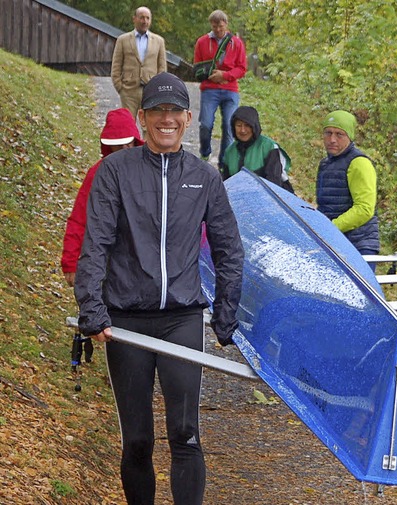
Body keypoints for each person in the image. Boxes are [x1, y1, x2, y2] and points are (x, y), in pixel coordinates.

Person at [74, 72, 244, 505]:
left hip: (181, 320)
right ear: (142, 117)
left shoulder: (205, 177)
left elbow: (228, 247)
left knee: (185, 435)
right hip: (126, 320)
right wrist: (91, 307)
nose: (166, 119)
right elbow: (95, 243)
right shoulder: (115, 172)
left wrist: (226, 310)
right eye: (157, 111)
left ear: (188, 118)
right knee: (137, 440)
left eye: (174, 111)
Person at [61, 108, 143, 287]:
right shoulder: (97, 173)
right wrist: (71, 261)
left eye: (127, 143)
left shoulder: (150, 168)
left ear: (135, 140)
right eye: (118, 144)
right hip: (106, 260)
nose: (123, 149)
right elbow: (79, 217)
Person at [316, 110, 380, 259]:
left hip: (359, 244)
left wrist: (331, 227)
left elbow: (364, 209)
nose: (332, 139)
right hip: (333, 241)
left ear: (349, 137)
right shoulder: (325, 164)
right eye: (328, 133)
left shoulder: (359, 163)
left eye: (339, 134)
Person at [193, 9, 247, 166]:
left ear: (226, 25)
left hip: (230, 89)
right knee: (206, 124)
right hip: (209, 89)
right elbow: (197, 67)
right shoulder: (202, 42)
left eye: (221, 27)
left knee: (229, 126)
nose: (217, 30)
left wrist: (225, 76)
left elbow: (242, 68)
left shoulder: (236, 43)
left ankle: (224, 163)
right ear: (211, 25)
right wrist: (209, 75)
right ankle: (205, 152)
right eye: (215, 26)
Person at [220, 105, 294, 193]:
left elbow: (274, 183)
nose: (243, 130)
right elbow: (226, 184)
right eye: (239, 125)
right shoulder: (229, 152)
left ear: (254, 127)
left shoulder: (269, 147)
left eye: (247, 125)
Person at [111, 6, 167, 119]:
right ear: (134, 19)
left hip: (150, 90)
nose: (144, 21)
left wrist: (158, 88)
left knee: (149, 125)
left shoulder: (159, 41)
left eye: (147, 18)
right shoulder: (123, 40)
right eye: (142, 18)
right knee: (128, 124)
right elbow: (116, 65)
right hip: (128, 90)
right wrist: (120, 87)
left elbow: (162, 67)